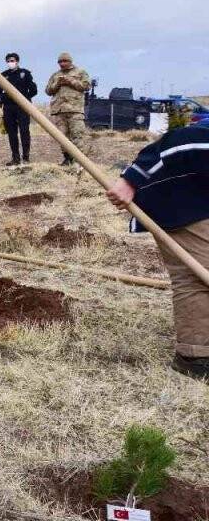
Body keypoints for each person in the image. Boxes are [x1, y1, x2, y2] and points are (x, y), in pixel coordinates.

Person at [106, 124, 209, 381]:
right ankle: (194, 357)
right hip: (174, 194)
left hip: (200, 193)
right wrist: (129, 180)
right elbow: (176, 142)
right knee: (198, 273)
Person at [45, 52, 90, 166]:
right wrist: (58, 84)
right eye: (60, 61)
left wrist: (71, 81)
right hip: (59, 111)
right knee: (62, 137)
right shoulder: (55, 75)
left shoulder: (80, 72)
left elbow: (86, 86)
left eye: (64, 61)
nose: (62, 63)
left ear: (70, 61)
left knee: (77, 135)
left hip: (75, 110)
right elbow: (48, 91)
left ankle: (79, 161)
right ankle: (67, 158)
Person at [0, 52, 36, 165]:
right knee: (12, 133)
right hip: (8, 107)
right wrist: (6, 97)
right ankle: (15, 158)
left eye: (12, 60)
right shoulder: (3, 76)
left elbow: (33, 90)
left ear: (17, 61)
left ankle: (26, 158)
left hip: (22, 107)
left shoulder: (25, 73)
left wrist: (25, 99)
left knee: (24, 131)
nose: (10, 63)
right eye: (8, 61)